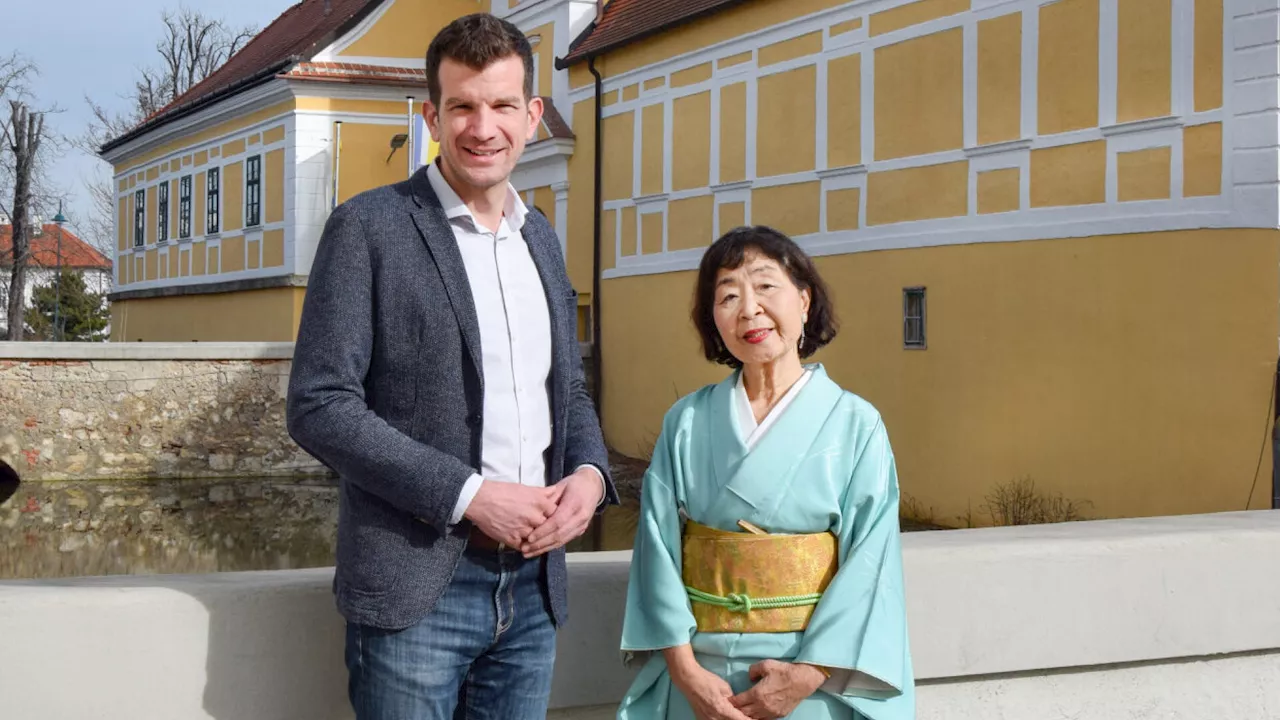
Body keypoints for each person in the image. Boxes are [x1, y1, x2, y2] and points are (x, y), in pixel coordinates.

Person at [286, 13, 616, 720]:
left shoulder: (543, 241)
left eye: (501, 106)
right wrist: (471, 495)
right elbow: (319, 405)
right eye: (462, 106)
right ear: (433, 117)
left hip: (534, 589)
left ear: (531, 116)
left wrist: (589, 477)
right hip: (418, 587)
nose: (482, 127)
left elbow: (571, 391)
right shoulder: (369, 227)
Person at [616, 226, 914, 720]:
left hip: (812, 678)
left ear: (803, 299)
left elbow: (872, 563)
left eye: (765, 286)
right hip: (701, 681)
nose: (749, 309)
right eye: (728, 295)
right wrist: (686, 672)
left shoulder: (856, 424)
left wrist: (805, 675)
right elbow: (656, 554)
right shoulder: (686, 423)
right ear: (713, 320)